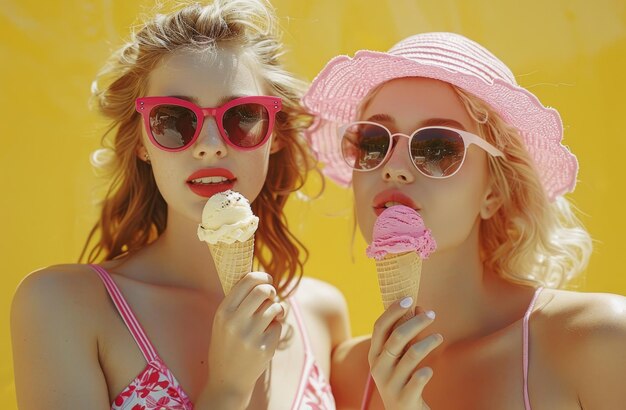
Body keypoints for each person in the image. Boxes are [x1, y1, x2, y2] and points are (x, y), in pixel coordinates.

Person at [10, 1, 349, 409]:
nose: (210, 146)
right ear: (141, 143)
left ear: (274, 134)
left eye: (242, 116)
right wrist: (227, 389)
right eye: (173, 120)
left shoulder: (321, 314)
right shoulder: (63, 305)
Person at [303, 32, 626, 409]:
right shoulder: (347, 375)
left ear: (494, 191)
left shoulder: (598, 342)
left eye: (437, 147)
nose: (394, 168)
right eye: (374, 141)